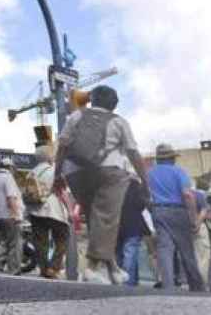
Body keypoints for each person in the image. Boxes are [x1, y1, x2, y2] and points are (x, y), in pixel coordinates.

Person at [54, 85, 148, 285]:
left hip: (75, 172)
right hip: (109, 172)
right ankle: (92, 268)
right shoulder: (119, 121)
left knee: (95, 218)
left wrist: (57, 174)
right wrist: (145, 181)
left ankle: (113, 268)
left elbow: (62, 146)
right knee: (107, 220)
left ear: (92, 100)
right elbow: (133, 153)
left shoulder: (76, 116)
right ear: (114, 104)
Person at [145, 144, 204, 292]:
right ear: (172, 158)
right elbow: (187, 195)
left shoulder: (149, 173)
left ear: (158, 159)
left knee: (165, 249)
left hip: (158, 210)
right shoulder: (179, 171)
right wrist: (194, 219)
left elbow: (145, 195)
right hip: (178, 211)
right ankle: (196, 286)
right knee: (186, 250)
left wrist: (153, 209)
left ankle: (168, 285)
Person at [27, 147, 70, 279]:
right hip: (53, 209)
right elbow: (64, 189)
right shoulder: (53, 171)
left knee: (40, 242)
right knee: (62, 238)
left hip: (35, 210)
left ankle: (44, 269)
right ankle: (53, 267)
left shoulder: (30, 173)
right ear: (49, 157)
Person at [0, 158, 24, 274]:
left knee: (5, 242)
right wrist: (16, 215)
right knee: (14, 243)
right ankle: (13, 269)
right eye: (13, 168)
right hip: (8, 216)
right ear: (10, 168)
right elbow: (11, 197)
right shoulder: (8, 178)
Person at [117, 174, 150, 286]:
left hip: (115, 224)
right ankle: (129, 281)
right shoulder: (134, 185)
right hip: (132, 224)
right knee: (130, 253)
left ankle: (126, 280)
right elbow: (141, 204)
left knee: (119, 253)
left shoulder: (112, 185)